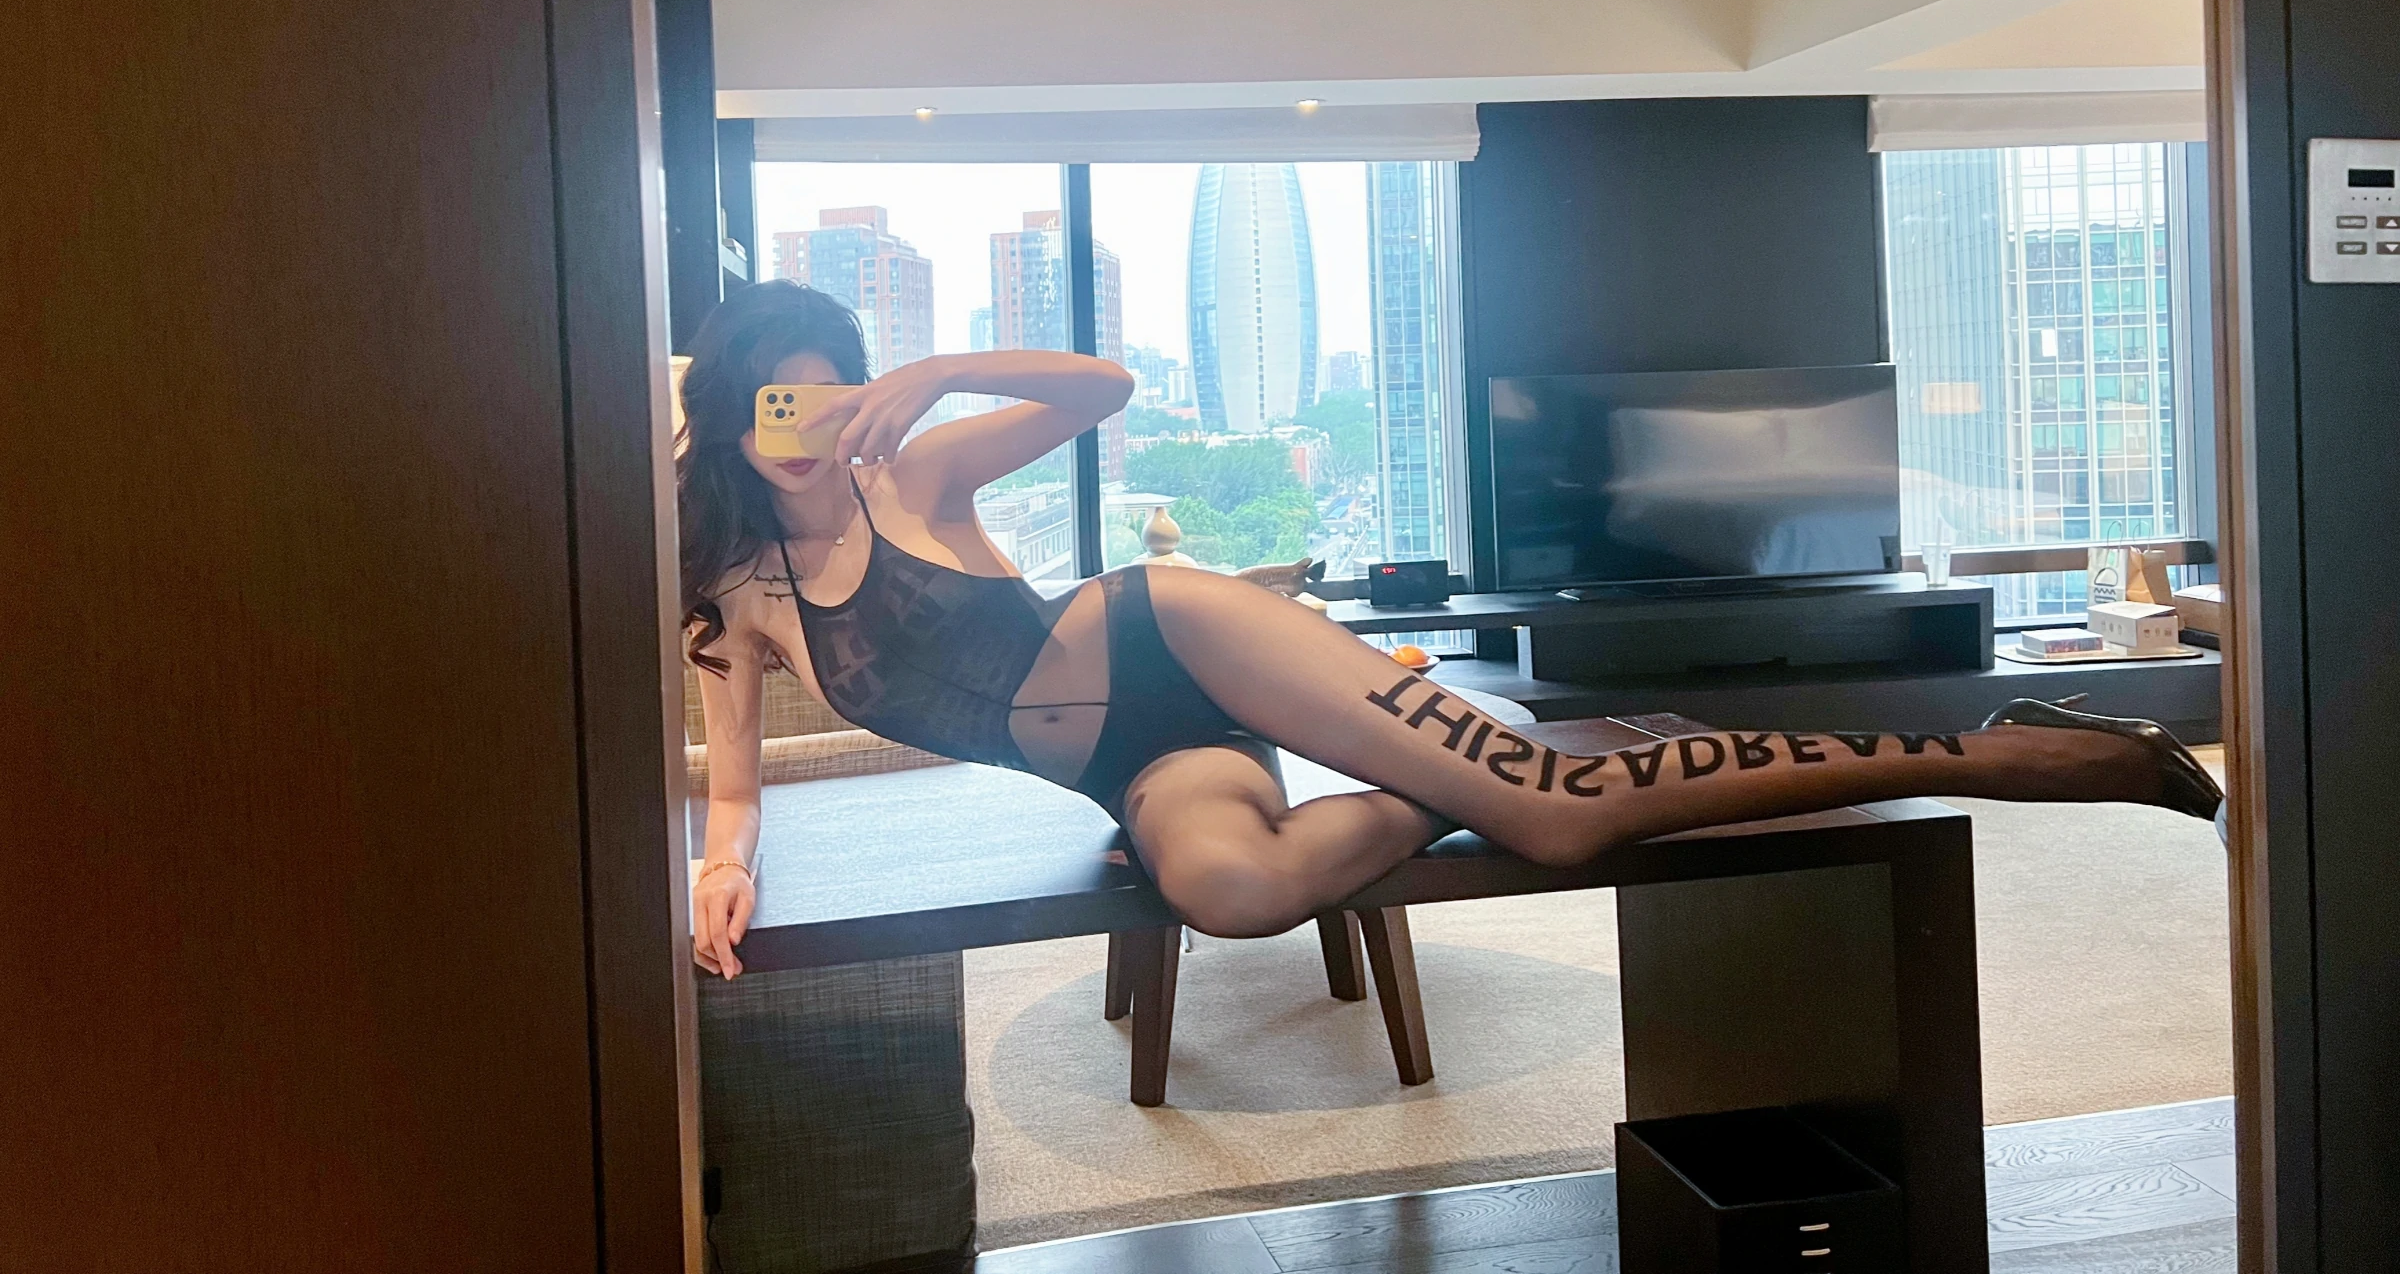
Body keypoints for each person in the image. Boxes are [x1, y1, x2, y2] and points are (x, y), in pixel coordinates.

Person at [682, 282, 2220, 978]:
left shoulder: (913, 473)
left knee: (1556, 819)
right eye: (771, 402)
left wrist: (942, 372)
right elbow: (732, 780)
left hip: (1174, 636)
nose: (797, 428)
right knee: (1232, 895)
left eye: (824, 393)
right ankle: (1456, 769)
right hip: (1132, 773)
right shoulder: (729, 600)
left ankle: (1999, 752)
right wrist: (722, 866)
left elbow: (1106, 390)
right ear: (729, 414)